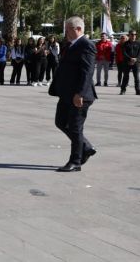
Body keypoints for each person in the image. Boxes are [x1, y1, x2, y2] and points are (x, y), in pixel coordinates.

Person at [49, 16, 97, 172]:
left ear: (78, 29)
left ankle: (75, 161)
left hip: (78, 95)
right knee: (60, 122)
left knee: (75, 128)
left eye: (68, 29)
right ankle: (86, 146)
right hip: (66, 94)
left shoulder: (86, 45)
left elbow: (87, 71)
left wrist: (80, 93)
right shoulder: (70, 45)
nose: (66, 32)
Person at [120, 30, 140, 96]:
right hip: (127, 62)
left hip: (136, 63)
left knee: (137, 77)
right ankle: (123, 90)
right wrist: (130, 59)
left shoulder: (138, 43)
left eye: (135, 34)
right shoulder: (125, 44)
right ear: (129, 35)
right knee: (125, 77)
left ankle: (138, 90)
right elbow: (124, 53)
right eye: (132, 34)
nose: (133, 36)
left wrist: (136, 59)